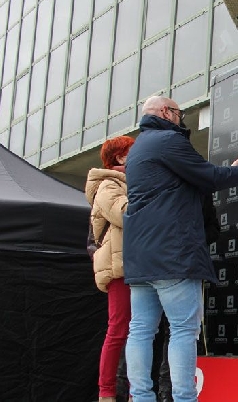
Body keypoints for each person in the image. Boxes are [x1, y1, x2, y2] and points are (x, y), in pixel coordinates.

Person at [123, 96, 238, 402]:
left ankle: (140, 398)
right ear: (166, 112)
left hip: (140, 256)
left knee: (140, 331)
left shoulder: (138, 148)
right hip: (172, 253)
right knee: (183, 330)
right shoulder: (168, 140)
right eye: (180, 113)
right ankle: (185, 399)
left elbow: (191, 181)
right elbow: (208, 177)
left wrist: (223, 170)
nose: (182, 118)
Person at [85, 135, 135, 402]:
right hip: (119, 267)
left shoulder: (127, 182)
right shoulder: (108, 185)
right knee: (118, 329)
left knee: (137, 330)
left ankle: (132, 390)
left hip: (133, 265)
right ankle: (106, 393)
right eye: (132, 151)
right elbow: (124, 215)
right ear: (120, 157)